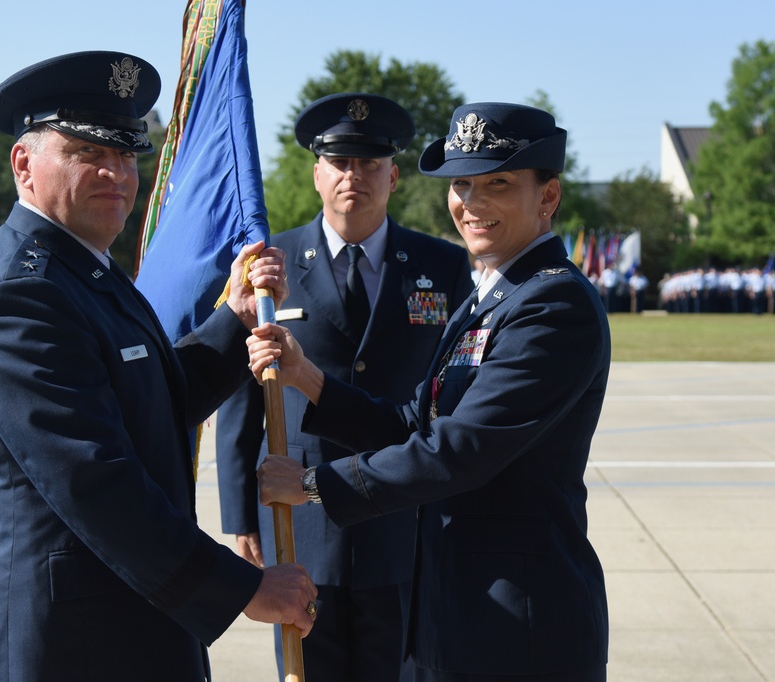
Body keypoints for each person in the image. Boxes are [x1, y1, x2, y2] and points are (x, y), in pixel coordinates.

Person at [0, 51, 317, 682]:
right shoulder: (23, 295)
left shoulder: (84, 270)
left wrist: (232, 315)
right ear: (23, 164)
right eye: (88, 152)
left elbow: (155, 399)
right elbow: (95, 484)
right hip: (74, 641)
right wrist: (243, 590)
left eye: (125, 155)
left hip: (133, 620)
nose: (115, 172)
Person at [249, 102, 611, 681]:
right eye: (461, 183)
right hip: (453, 607)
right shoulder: (491, 296)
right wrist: (306, 377)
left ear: (548, 197)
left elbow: (460, 448)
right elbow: (417, 423)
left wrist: (314, 484)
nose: (473, 202)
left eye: (498, 183)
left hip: (516, 620)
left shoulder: (553, 305)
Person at [216, 92, 473, 682]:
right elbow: (239, 397)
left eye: (369, 163)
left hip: (400, 512)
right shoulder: (268, 268)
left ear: (394, 176)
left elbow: (451, 396)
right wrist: (240, 513)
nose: (353, 176)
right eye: (339, 161)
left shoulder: (442, 265)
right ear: (316, 173)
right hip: (299, 518)